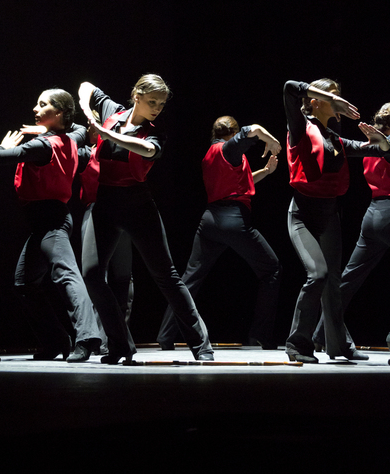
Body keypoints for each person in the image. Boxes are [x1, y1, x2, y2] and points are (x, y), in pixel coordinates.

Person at [78, 75, 214, 364]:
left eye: (161, 104)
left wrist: (108, 135)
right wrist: (87, 111)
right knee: (91, 274)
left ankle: (201, 345)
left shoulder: (154, 132)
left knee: (166, 276)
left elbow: (148, 150)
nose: (157, 109)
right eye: (152, 102)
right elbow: (86, 86)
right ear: (136, 96)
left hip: (137, 204)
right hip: (105, 203)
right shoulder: (112, 111)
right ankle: (119, 345)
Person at [0, 89, 101, 361]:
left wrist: (1, 147)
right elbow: (78, 128)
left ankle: (87, 337)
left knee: (66, 274)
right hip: (45, 222)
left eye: (43, 105)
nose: (35, 109)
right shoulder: (70, 138)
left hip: (51, 220)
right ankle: (57, 342)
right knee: (25, 284)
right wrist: (50, 127)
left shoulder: (41, 146)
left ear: (59, 112)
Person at [284, 79, 390, 363]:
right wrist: (332, 99)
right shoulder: (300, 126)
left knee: (333, 282)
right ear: (316, 101)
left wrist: (382, 142)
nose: (339, 101)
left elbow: (376, 149)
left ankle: (339, 344)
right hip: (302, 213)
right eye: (333, 97)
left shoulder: (334, 138)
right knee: (318, 275)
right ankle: (297, 344)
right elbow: (290, 88)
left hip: (329, 213)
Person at [157, 116, 282, 350]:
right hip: (233, 219)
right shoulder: (228, 148)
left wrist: (265, 171)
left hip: (210, 221)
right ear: (232, 133)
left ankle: (165, 335)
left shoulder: (210, 153)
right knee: (271, 269)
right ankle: (260, 335)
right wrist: (272, 141)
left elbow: (239, 183)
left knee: (189, 279)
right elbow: (255, 129)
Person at [312, 102, 390, 356]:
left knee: (348, 279)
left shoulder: (370, 146)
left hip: (373, 214)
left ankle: (321, 334)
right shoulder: (383, 146)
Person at [78, 125, 135, 355]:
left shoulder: (119, 150)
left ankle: (117, 338)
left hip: (116, 211)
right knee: (97, 276)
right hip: (100, 210)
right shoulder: (86, 152)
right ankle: (100, 338)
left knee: (121, 277)